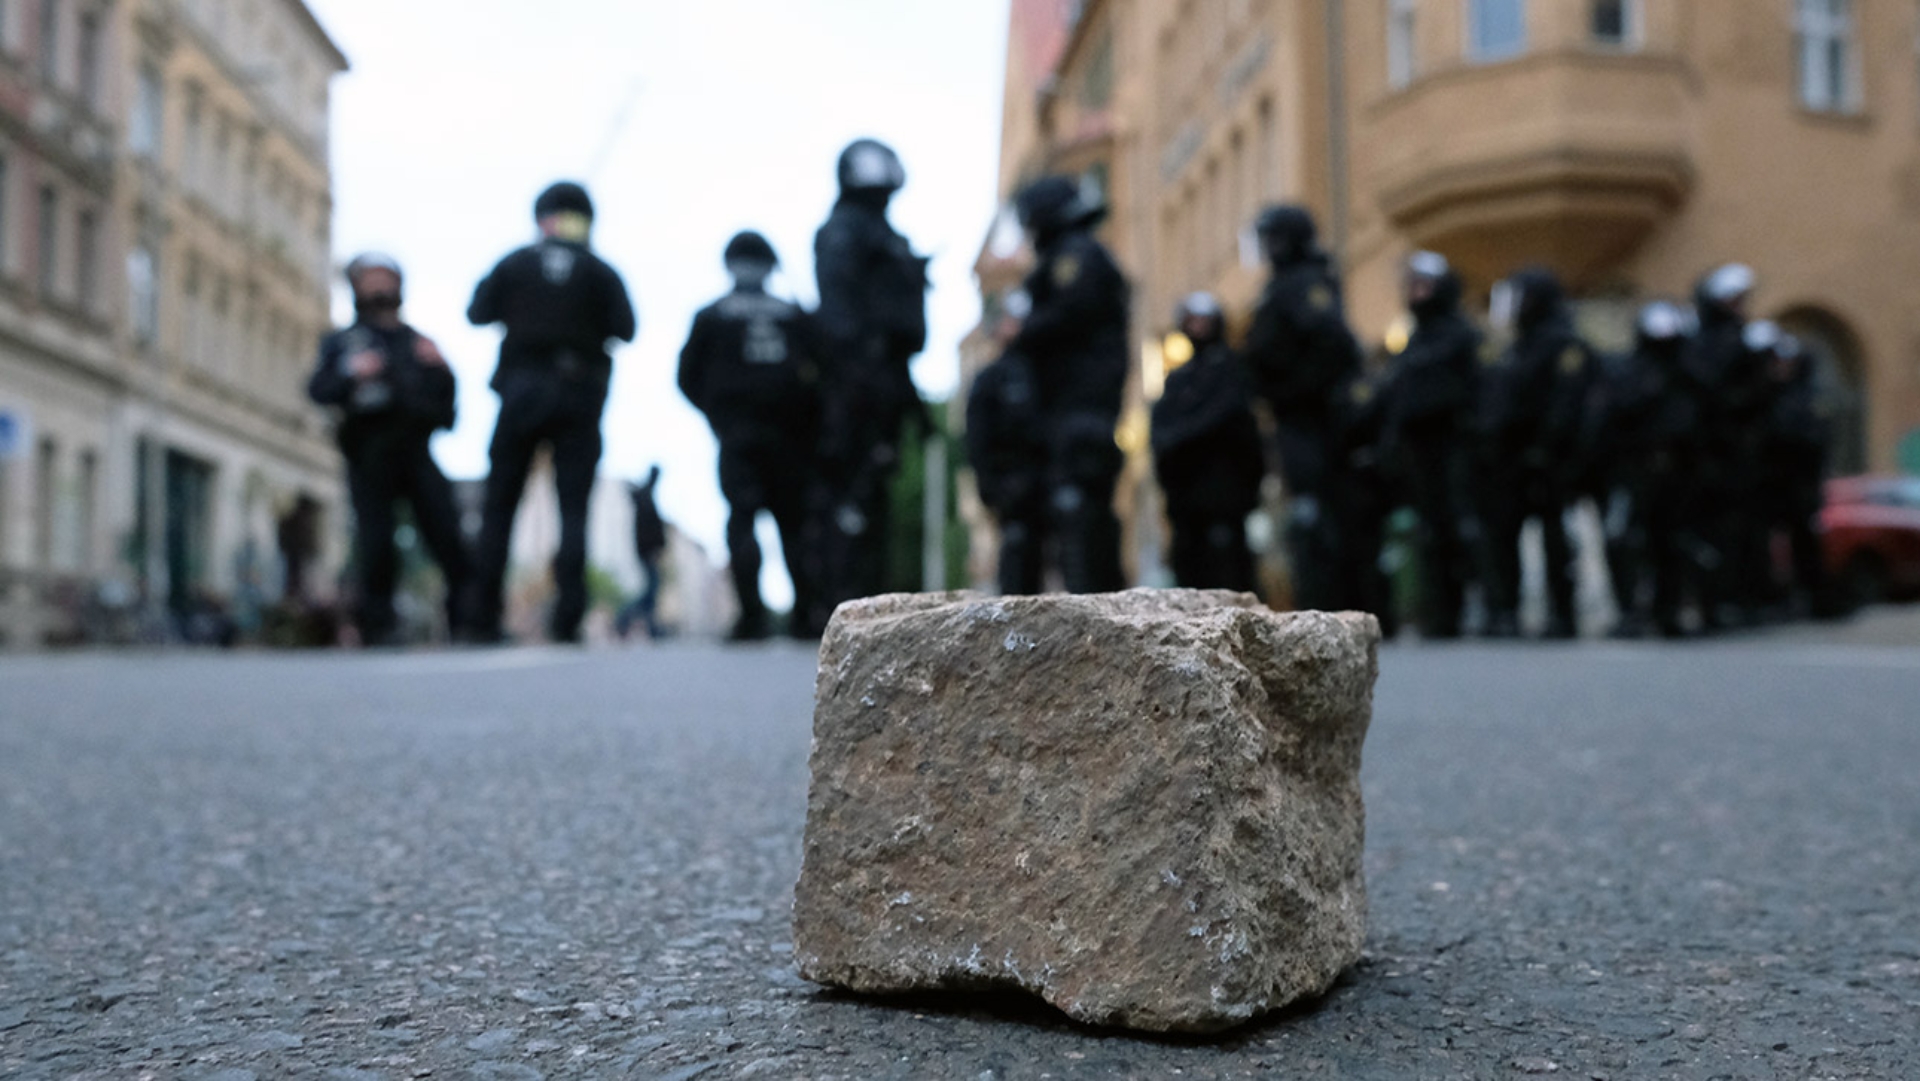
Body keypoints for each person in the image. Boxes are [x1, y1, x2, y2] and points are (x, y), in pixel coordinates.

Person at [467, 181, 637, 644]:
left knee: (500, 506)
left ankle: (480, 616)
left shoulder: (515, 263)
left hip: (521, 391)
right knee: (573, 509)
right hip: (578, 396)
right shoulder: (599, 271)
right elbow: (627, 328)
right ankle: (567, 618)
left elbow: (477, 312)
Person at [307, 253, 472, 646]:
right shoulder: (343, 342)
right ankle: (377, 624)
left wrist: (443, 370)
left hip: (415, 447)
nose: (380, 287)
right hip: (368, 450)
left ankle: (469, 619)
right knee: (375, 539)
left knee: (447, 532)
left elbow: (447, 407)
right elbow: (318, 389)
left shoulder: (418, 342)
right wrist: (352, 371)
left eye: (386, 278)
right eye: (371, 279)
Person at [678, 231, 823, 641]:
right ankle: (805, 615)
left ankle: (753, 617)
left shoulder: (714, 315)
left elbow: (686, 376)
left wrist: (718, 415)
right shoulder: (793, 314)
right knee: (793, 524)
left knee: (743, 520)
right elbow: (825, 373)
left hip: (738, 433)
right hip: (788, 437)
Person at [811, 139, 930, 625]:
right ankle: (840, 602)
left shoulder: (884, 234)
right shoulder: (845, 231)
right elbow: (839, 308)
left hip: (885, 377)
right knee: (850, 492)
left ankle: (868, 604)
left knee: (875, 488)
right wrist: (858, 372)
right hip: (856, 378)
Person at [1008, 175, 1131, 594]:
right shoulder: (1071, 256)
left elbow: (1069, 312)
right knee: (1077, 512)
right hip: (1072, 408)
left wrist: (1021, 332)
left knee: (1079, 512)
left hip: (1082, 407)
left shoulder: (1075, 257)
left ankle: (1096, 614)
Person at [1239, 205, 1364, 611]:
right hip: (1296, 416)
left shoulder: (1303, 283)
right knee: (1307, 514)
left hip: (1311, 420)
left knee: (1316, 517)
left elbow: (1332, 344)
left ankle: (1328, 604)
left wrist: (1295, 389)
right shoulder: (1284, 285)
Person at [1479, 267, 1596, 639]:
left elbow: (1567, 403)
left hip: (1549, 457)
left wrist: (1548, 446)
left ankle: (1563, 613)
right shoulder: (1518, 346)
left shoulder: (1562, 343)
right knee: (1505, 534)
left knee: (1555, 536)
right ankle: (1507, 611)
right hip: (1512, 459)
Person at [1383, 251, 1479, 639]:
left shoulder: (1459, 335)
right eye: (1412, 287)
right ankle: (1439, 613)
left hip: (1455, 449)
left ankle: (1465, 609)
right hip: (1420, 455)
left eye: (1424, 286)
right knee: (1429, 534)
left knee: (1459, 530)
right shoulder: (1414, 341)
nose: (1416, 294)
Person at [1598, 300, 1702, 638]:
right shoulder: (1629, 373)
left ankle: (1667, 610)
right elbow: (1613, 417)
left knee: (1671, 541)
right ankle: (1631, 611)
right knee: (1625, 538)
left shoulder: (1687, 374)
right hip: (1633, 469)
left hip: (1676, 471)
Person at [1150, 292, 1263, 592]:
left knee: (1229, 576)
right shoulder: (1178, 380)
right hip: (1187, 503)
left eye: (1204, 320)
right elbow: (1161, 429)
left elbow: (1233, 424)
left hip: (1224, 499)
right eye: (1192, 321)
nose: (1198, 327)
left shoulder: (1232, 370)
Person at [1687, 263, 1769, 630]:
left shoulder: (1744, 341)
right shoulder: (1700, 341)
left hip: (1737, 455)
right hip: (1705, 455)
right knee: (1708, 533)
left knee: (1742, 531)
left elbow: (1755, 396)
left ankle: (1742, 599)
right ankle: (1712, 601)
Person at [966, 292, 1049, 595]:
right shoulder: (991, 379)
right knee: (1017, 557)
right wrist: (991, 486)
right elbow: (977, 438)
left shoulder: (1047, 373)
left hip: (1046, 482)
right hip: (1012, 487)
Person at [1760, 330, 1835, 619]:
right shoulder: (1766, 396)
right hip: (1772, 484)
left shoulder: (1808, 398)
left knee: (1805, 543)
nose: (1781, 367)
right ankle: (1778, 597)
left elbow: (1816, 441)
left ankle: (1814, 598)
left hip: (1801, 484)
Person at [616, 465, 669, 640]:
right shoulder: (645, 497)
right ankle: (623, 619)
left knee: (651, 590)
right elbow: (649, 529)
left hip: (646, 551)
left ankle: (651, 627)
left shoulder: (645, 495)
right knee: (650, 591)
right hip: (648, 552)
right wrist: (656, 548)